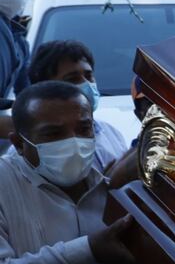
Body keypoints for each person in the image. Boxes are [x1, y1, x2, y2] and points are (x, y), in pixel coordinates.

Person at [0, 81, 142, 264]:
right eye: (53, 133)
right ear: (19, 143)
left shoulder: (111, 175)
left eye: (83, 129)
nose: (73, 142)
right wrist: (86, 251)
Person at [26, 41, 131, 175]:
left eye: (88, 76)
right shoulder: (37, 147)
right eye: (73, 79)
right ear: (46, 88)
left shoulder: (111, 133)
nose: (87, 84)